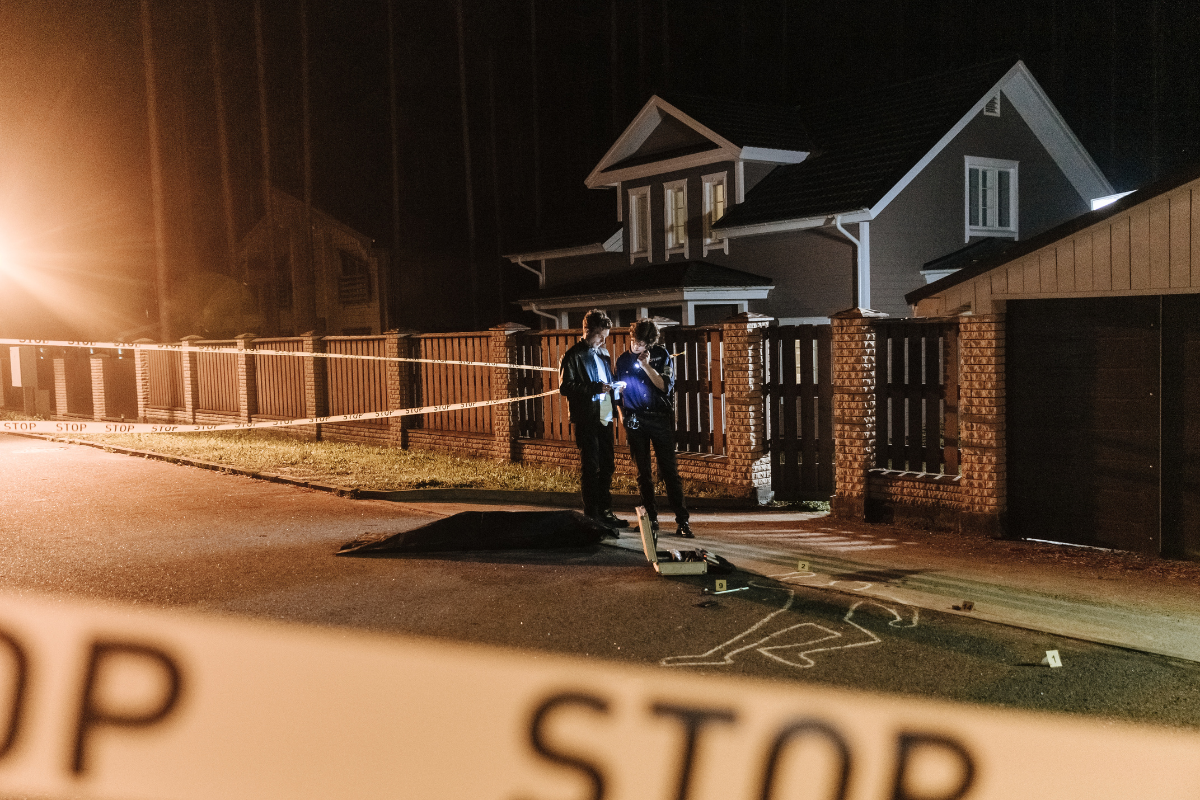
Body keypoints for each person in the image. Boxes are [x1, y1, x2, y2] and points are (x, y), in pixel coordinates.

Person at [614, 318, 692, 538]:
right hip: (634, 419)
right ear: (632, 337)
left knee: (669, 471)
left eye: (644, 344)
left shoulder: (661, 355)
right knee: (643, 473)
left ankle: (683, 521)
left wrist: (647, 365)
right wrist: (622, 416)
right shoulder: (622, 360)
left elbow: (664, 386)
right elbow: (617, 393)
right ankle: (650, 520)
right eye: (637, 342)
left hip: (658, 419)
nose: (639, 347)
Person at [558, 309, 628, 529]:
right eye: (600, 336)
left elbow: (608, 380)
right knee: (591, 467)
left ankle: (606, 511)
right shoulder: (573, 355)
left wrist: (616, 387)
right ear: (588, 331)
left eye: (605, 336)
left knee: (607, 464)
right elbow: (565, 387)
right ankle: (592, 515)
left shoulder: (603, 354)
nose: (603, 340)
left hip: (605, 415)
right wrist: (595, 388)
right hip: (587, 417)